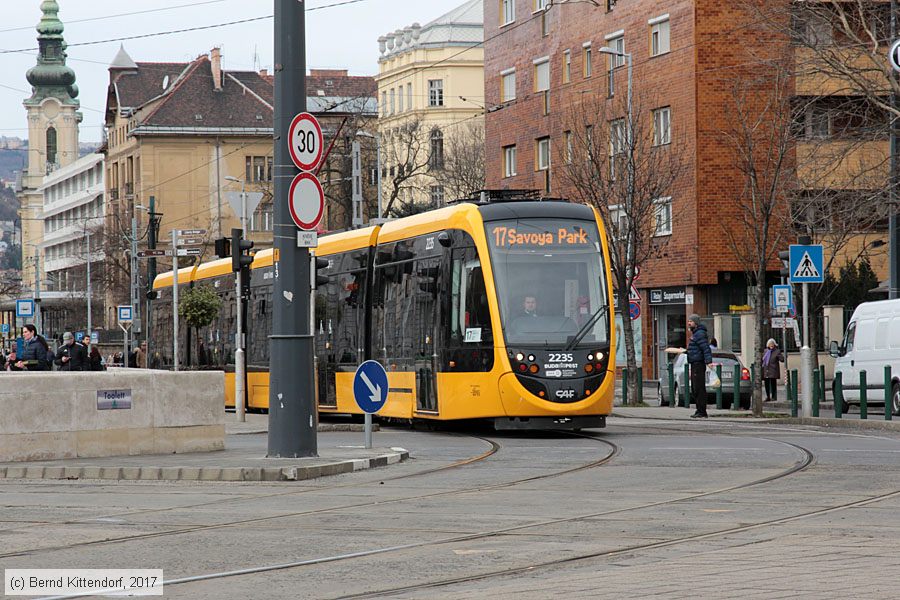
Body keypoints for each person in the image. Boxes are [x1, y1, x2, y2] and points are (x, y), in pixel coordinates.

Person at [686, 314, 713, 418]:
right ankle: (699, 410)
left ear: (696, 323)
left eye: (691, 321)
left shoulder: (699, 334)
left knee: (698, 388)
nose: (689, 323)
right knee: (695, 388)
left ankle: (701, 411)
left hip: (698, 364)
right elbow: (696, 349)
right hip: (694, 363)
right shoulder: (695, 333)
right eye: (688, 321)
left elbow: (705, 348)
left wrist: (708, 361)